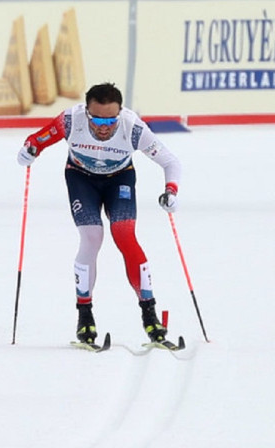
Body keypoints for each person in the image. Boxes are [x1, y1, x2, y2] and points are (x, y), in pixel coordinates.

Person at [16, 82, 182, 345]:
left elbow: (170, 161)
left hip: (120, 180)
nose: (104, 126)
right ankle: (85, 316)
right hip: (81, 179)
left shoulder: (133, 127)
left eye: (110, 119)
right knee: (92, 238)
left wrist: (171, 190)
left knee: (124, 235)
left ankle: (149, 315)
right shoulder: (71, 120)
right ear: (86, 112)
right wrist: (28, 151)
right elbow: (37, 140)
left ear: (120, 113)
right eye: (96, 119)